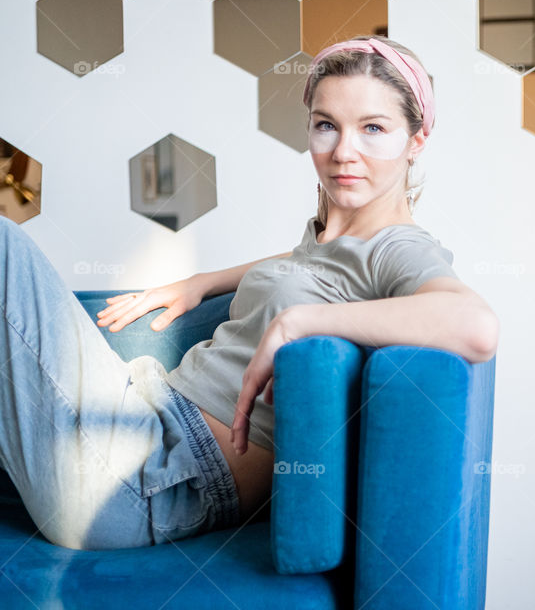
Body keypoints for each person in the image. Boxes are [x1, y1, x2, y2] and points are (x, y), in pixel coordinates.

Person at [0, 34, 499, 551]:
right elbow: (305, 264)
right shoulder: (334, 235)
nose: (344, 151)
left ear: (417, 140)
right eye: (327, 125)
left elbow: (475, 326)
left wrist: (301, 323)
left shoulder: (398, 247)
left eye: (374, 128)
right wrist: (202, 282)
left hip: (151, 482)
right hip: (141, 412)